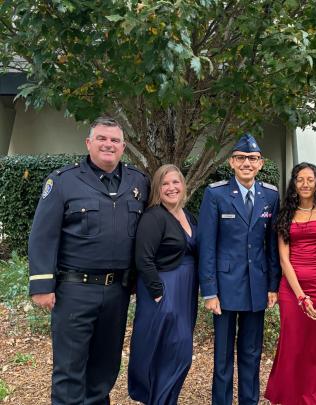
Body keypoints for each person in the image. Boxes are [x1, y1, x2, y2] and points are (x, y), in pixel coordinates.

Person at [28, 117, 149, 404]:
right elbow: (43, 235)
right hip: (75, 290)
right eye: (102, 139)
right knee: (70, 368)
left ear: (123, 146)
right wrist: (42, 285)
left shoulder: (138, 182)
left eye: (115, 140)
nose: (109, 144)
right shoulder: (63, 181)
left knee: (105, 368)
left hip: (117, 291)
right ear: (89, 143)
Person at [198, 133, 280, 405]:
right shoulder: (216, 193)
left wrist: (272, 285)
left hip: (256, 286)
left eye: (253, 159)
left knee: (251, 352)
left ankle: (249, 400)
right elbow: (207, 246)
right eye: (241, 158)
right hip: (224, 287)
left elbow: (271, 246)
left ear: (260, 163)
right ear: (232, 162)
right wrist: (209, 291)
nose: (247, 163)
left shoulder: (270, 195)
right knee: (222, 356)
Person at [265, 162, 316, 405]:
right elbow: (284, 259)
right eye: (300, 179)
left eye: (310, 179)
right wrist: (300, 296)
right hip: (292, 290)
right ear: (294, 183)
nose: (305, 184)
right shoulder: (285, 215)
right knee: (294, 343)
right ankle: (292, 397)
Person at [128, 164, 198, 405]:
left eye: (175, 182)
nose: (171, 188)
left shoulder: (188, 215)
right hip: (163, 290)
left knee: (177, 352)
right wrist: (159, 295)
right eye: (165, 184)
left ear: (183, 186)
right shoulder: (154, 216)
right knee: (171, 351)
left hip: (185, 292)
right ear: (157, 188)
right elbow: (143, 258)